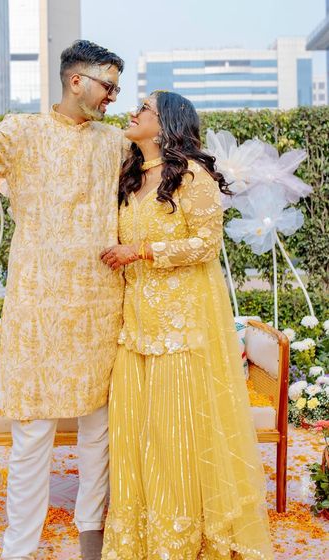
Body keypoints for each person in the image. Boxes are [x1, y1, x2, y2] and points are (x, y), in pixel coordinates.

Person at [0, 12, 128, 560]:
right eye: (108, 84)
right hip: (38, 309)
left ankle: (92, 541)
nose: (113, 96)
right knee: (33, 436)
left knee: (98, 434)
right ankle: (19, 550)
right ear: (76, 80)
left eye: (117, 87)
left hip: (100, 308)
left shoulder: (116, 145)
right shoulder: (24, 133)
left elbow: (163, 177)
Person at [100, 91, 274, 559]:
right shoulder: (129, 175)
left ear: (166, 123)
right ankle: (138, 542)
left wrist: (141, 251)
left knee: (174, 435)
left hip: (178, 328)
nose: (132, 112)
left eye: (143, 108)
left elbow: (205, 245)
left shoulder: (191, 175)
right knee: (136, 438)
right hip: (133, 328)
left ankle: (178, 545)